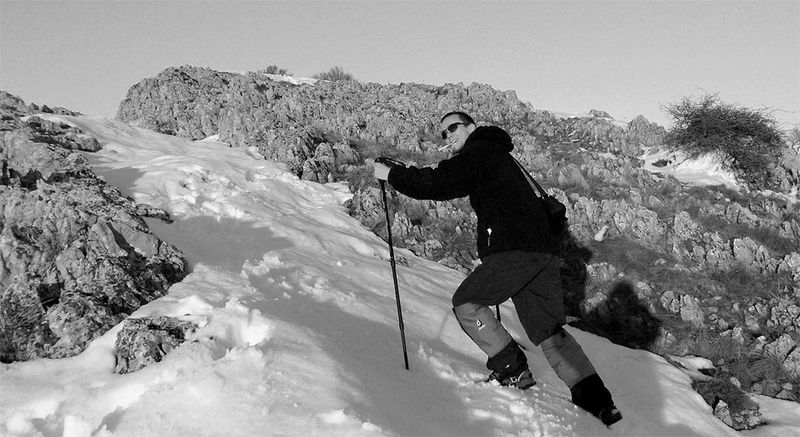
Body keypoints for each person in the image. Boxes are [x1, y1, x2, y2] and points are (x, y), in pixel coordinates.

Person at [373, 111, 622, 426]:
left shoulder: (479, 151)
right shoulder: (497, 153)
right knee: (548, 330)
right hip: (542, 252)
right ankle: (600, 403)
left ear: (472, 128)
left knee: (466, 302)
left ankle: (512, 369)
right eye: (443, 133)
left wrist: (392, 175)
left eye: (453, 128)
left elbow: (438, 182)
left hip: (515, 250)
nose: (448, 136)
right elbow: (445, 176)